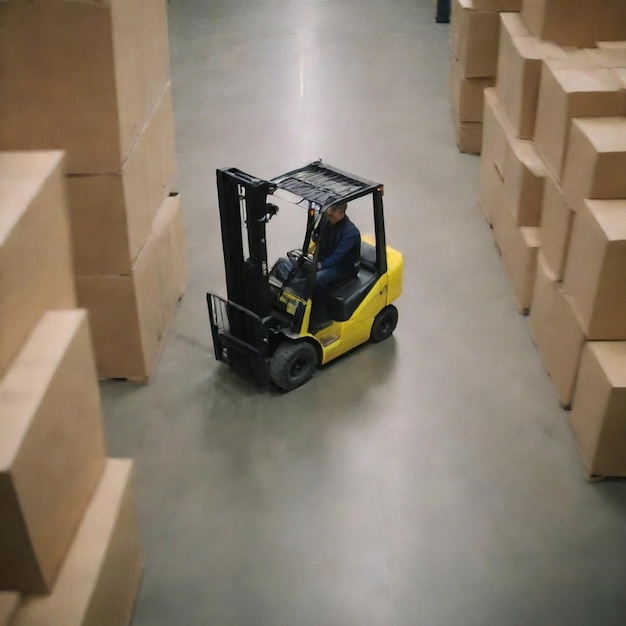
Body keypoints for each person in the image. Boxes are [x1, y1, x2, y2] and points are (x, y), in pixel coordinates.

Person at [310, 201, 361, 323]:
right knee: (295, 267)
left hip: (341, 268)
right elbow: (316, 236)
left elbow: (337, 256)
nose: (329, 217)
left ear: (341, 213)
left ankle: (319, 315)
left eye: (332, 215)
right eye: (328, 215)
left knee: (318, 279)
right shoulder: (326, 220)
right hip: (325, 258)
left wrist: (320, 265)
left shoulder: (350, 233)